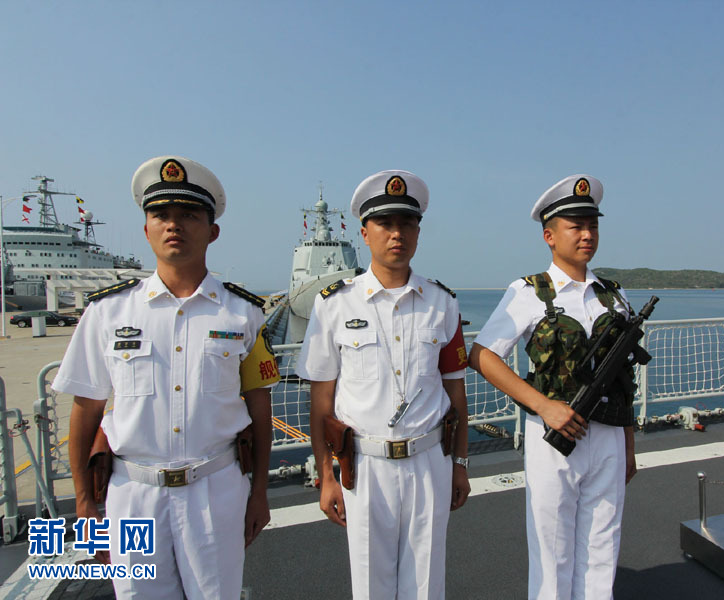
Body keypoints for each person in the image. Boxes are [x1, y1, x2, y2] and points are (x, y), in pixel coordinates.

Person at [54, 156, 280, 599]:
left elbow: (259, 408)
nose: (173, 225)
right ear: (146, 229)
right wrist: (85, 503)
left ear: (212, 231)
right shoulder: (107, 313)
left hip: (215, 491)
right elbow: (86, 410)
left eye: (189, 215)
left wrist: (258, 494)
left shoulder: (244, 314)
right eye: (161, 215)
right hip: (132, 496)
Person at [296, 169, 470, 599]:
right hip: (364, 467)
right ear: (364, 232)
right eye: (385, 224)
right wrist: (325, 475)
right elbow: (321, 401)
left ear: (418, 231)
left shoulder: (442, 304)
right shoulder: (334, 304)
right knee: (371, 586)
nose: (397, 234)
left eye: (407, 223)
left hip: (430, 460)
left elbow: (456, 392)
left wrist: (461, 464)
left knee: (427, 585)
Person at [468, 174, 637, 600]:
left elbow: (623, 379)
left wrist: (629, 445)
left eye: (592, 225)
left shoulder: (613, 297)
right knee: (553, 550)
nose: (586, 235)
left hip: (609, 435)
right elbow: (484, 355)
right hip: (555, 435)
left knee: (603, 546)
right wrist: (544, 407)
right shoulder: (527, 293)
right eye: (575, 226)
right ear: (549, 235)